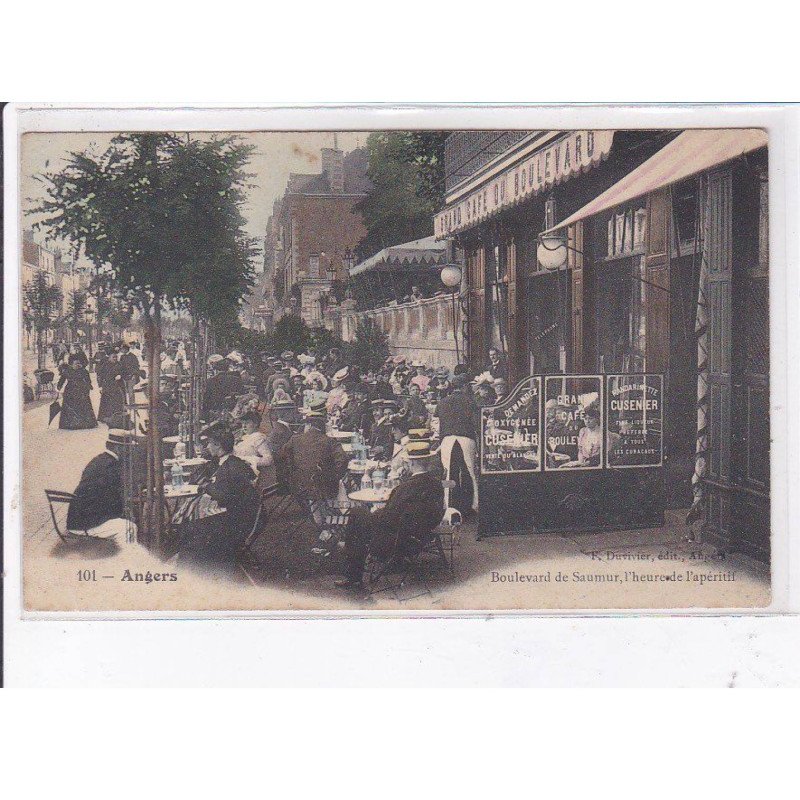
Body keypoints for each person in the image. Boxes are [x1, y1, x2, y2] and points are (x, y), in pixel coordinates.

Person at [336, 440, 444, 592]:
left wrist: (376, 513)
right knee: (363, 517)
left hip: (396, 541)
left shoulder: (405, 488)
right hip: (422, 536)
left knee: (357, 514)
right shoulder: (436, 485)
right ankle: (351, 554)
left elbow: (389, 518)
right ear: (427, 462)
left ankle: (353, 575)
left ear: (410, 464)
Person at [179, 427, 260, 575]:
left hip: (236, 524)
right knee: (192, 525)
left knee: (190, 528)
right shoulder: (233, 463)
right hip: (243, 517)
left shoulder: (230, 467)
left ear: (218, 445)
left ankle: (189, 571)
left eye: (210, 443)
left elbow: (223, 495)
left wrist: (206, 485)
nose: (207, 447)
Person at [276, 398, 349, 527]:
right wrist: (333, 476)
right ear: (323, 426)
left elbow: (280, 457)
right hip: (323, 487)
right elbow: (342, 460)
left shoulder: (295, 439)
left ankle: (320, 521)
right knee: (341, 484)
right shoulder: (329, 441)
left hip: (299, 487)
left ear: (308, 425)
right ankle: (342, 515)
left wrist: (291, 472)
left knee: (315, 487)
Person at [66, 430, 136, 541]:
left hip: (79, 518)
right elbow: (112, 499)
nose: (130, 452)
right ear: (118, 448)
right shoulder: (111, 466)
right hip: (86, 523)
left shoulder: (98, 459)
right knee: (129, 527)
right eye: (127, 448)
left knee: (126, 522)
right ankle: (126, 556)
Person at [436, 373, 479, 513]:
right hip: (466, 438)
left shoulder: (443, 402)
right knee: (470, 471)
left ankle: (447, 504)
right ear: (465, 386)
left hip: (447, 439)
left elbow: (439, 424)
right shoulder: (470, 401)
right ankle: (474, 504)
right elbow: (476, 423)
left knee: (448, 472)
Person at [57, 354, 97, 430]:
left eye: (79, 363)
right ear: (71, 364)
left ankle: (86, 423)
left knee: (83, 405)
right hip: (70, 390)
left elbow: (88, 380)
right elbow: (62, 380)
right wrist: (59, 387)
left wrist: (88, 386)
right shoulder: (67, 371)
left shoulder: (84, 371)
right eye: (76, 364)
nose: (78, 365)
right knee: (71, 406)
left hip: (82, 390)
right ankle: (71, 424)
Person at [234, 411, 274, 476]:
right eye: (243, 423)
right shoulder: (244, 437)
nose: (243, 426)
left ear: (255, 424)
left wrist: (249, 460)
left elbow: (268, 459)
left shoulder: (258, 437)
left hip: (251, 474)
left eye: (247, 423)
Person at [97, 351, 126, 426]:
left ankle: (118, 416)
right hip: (108, 385)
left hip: (118, 385)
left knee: (118, 400)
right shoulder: (105, 365)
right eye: (113, 357)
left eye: (116, 357)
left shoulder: (120, 364)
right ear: (109, 358)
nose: (115, 358)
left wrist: (121, 375)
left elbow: (125, 372)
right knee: (107, 401)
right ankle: (106, 417)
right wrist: (100, 386)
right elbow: (100, 376)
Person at [576, 402, 603, 467]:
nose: (587, 421)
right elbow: (580, 451)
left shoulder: (603, 433)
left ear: (596, 419)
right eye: (585, 419)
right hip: (583, 465)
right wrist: (581, 463)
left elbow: (606, 454)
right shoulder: (582, 431)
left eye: (590, 418)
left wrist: (589, 463)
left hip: (597, 466)